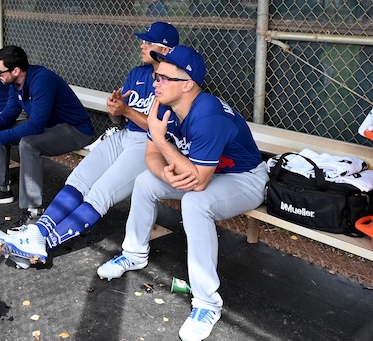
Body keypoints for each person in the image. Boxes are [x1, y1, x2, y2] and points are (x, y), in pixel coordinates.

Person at [94, 45, 268, 341]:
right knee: (146, 181)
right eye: (156, 76)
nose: (155, 83)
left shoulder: (208, 114)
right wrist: (164, 171)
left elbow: (198, 183)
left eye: (163, 78)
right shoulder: (161, 105)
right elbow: (151, 157)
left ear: (186, 84)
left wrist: (163, 143)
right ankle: (133, 254)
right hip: (201, 172)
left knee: (196, 202)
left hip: (244, 179)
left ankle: (207, 303)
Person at [0, 22, 180, 269]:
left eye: (148, 42)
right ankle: (36, 234)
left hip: (151, 145)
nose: (141, 45)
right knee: (78, 180)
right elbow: (120, 117)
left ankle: (43, 246)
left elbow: (160, 129)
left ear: (164, 51)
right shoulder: (138, 73)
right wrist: (115, 110)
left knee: (100, 193)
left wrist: (127, 111)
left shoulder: (175, 82)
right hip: (124, 135)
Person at [0, 45, 94, 220]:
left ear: (16, 70)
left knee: (28, 144)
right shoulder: (15, 83)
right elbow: (11, 112)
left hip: (75, 130)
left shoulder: (42, 81)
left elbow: (35, 126)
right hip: (50, 125)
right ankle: (1, 189)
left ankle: (33, 210)